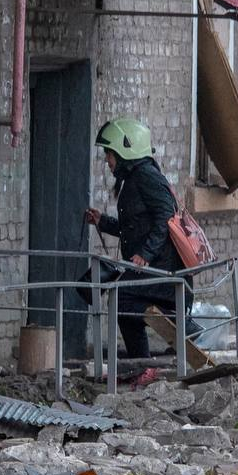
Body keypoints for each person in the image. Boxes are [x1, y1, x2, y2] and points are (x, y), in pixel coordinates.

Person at [84, 118, 194, 360]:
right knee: (122, 302)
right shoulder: (135, 178)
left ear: (125, 150)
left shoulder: (146, 176)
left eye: (109, 153)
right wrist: (102, 221)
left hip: (165, 270)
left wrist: (146, 253)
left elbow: (166, 216)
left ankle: (177, 330)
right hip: (157, 268)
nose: (107, 160)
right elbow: (133, 227)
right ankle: (143, 361)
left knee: (121, 297)